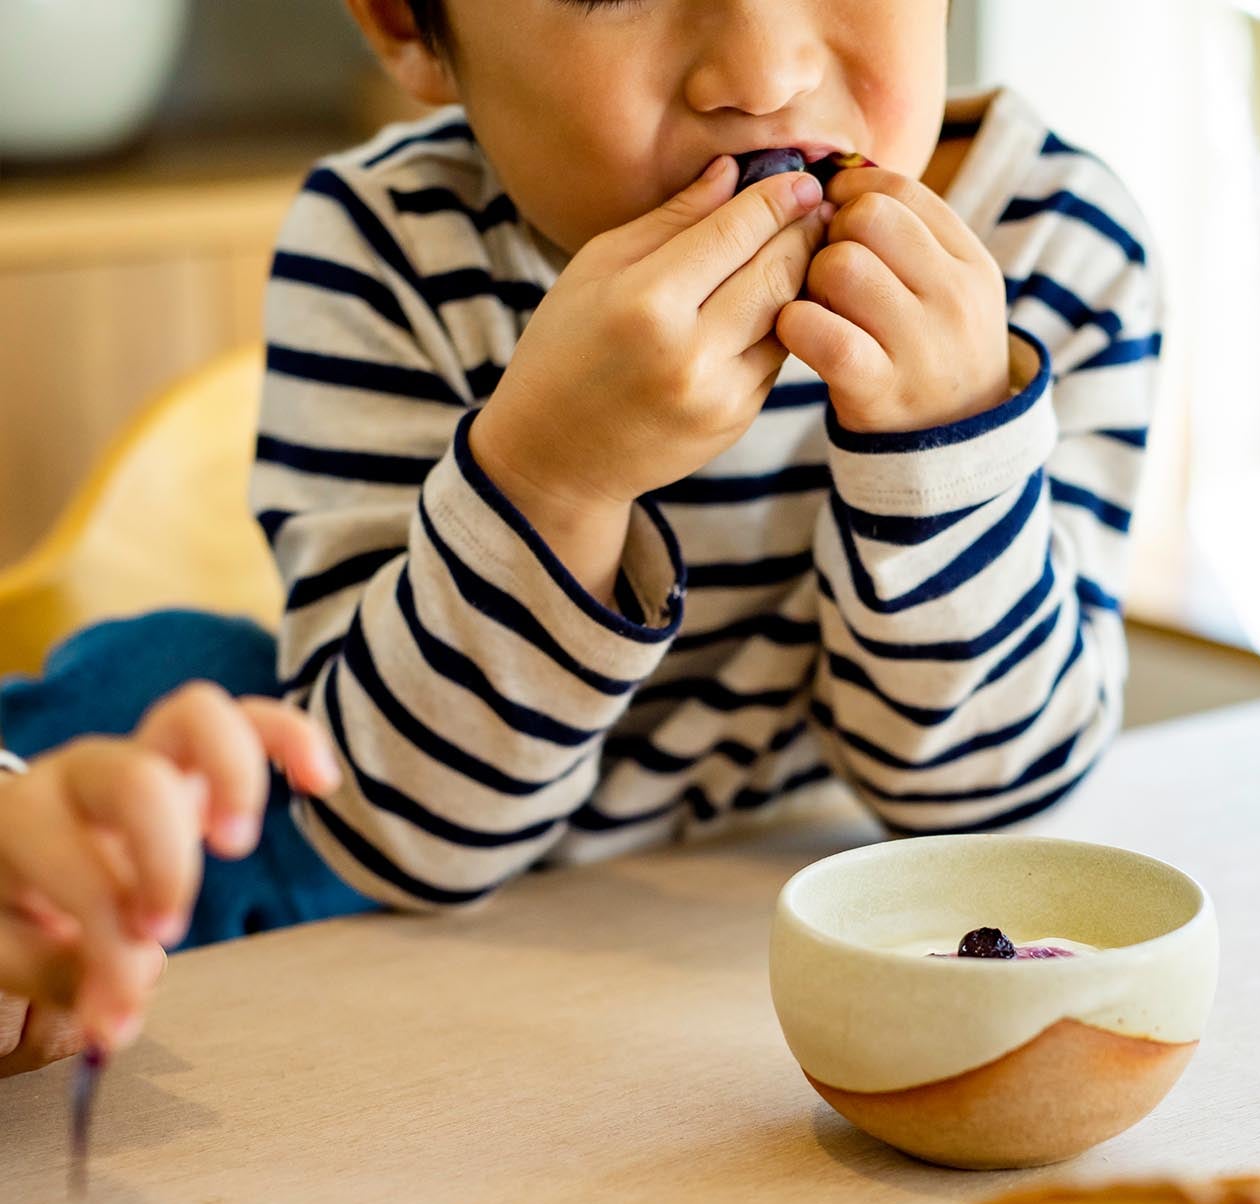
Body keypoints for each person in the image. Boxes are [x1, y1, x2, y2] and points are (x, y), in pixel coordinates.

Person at [0, 0, 1162, 1077]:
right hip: (454, 995)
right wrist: (554, 477)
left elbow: (993, 820)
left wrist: (951, 441)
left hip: (778, 998)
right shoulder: (389, 250)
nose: (766, 72)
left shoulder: (1057, 251)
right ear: (408, 24)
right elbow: (401, 835)